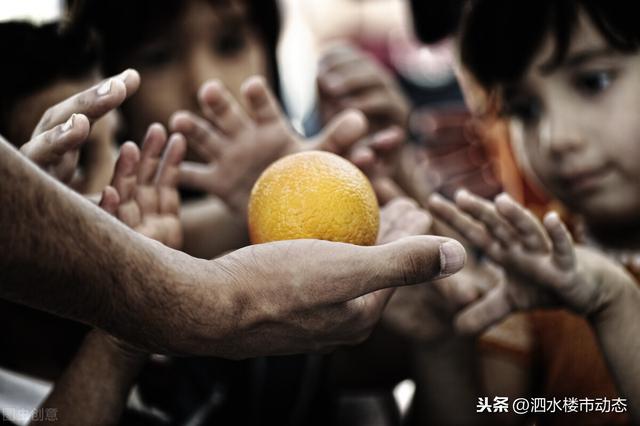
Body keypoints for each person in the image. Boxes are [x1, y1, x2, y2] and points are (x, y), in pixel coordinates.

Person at [424, 1, 640, 424]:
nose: (556, 137)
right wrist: (437, 342)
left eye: (593, 81)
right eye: (524, 110)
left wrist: (615, 305)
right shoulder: (540, 258)